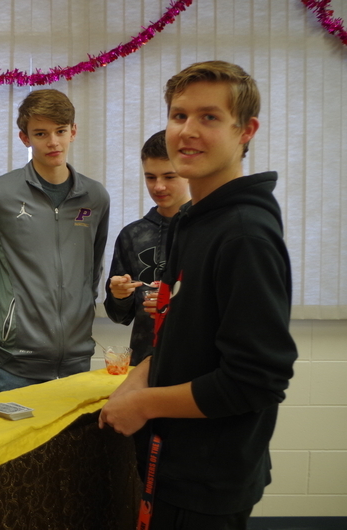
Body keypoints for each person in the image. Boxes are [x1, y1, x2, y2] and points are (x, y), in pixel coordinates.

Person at [98, 61, 297, 530]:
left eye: (209, 117)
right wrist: (141, 375)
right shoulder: (194, 222)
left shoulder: (244, 234)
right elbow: (180, 334)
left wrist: (144, 404)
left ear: (245, 131)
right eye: (179, 115)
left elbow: (257, 381)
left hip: (207, 480)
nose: (187, 131)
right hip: (171, 460)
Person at [0, 89, 110, 395]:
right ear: (24, 138)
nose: (53, 142)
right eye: (41, 133)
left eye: (60, 131)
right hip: (12, 368)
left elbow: (92, 270)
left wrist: (81, 316)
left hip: (76, 363)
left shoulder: (95, 197)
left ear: (73, 132)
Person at [103, 130, 190, 365]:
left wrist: (176, 303)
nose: (158, 187)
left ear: (188, 173)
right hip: (143, 361)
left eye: (169, 177)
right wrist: (119, 295)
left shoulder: (210, 229)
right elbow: (119, 315)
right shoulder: (132, 235)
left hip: (197, 364)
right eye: (150, 177)